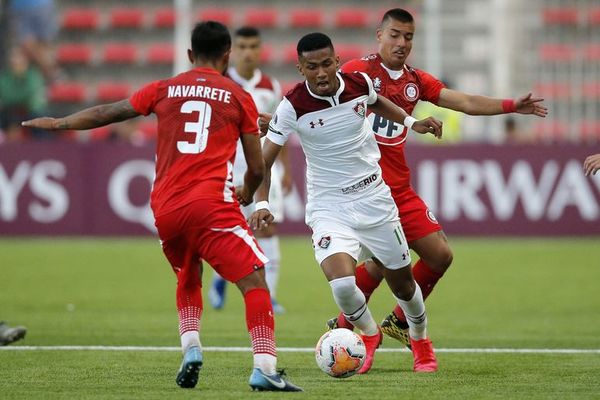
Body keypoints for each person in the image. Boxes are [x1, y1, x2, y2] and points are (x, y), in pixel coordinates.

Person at [22, 21, 302, 392]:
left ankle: (191, 347)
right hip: (210, 204)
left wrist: (59, 123)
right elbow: (255, 166)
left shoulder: (163, 89)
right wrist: (249, 192)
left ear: (189, 55)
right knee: (254, 280)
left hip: (166, 208)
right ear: (226, 56)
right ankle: (265, 367)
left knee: (188, 275)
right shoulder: (238, 96)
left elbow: (109, 112)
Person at [328, 8, 548, 347]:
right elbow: (319, 101)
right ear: (379, 35)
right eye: (395, 35)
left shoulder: (415, 81)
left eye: (409, 37)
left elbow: (464, 101)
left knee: (439, 255)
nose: (402, 43)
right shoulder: (356, 72)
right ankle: (344, 325)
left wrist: (509, 105)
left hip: (399, 189)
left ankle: (397, 322)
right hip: (363, 191)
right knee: (382, 262)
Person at [250, 32, 443, 374]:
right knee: (342, 284)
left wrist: (413, 123)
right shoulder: (292, 105)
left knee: (403, 283)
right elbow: (265, 158)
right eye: (312, 67)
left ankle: (421, 340)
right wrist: (261, 203)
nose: (321, 73)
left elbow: (378, 102)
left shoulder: (360, 84)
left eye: (327, 64)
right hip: (329, 207)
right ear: (301, 68)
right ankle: (369, 335)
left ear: (337, 61)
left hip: (374, 199)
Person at [209, 26, 291, 314]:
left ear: (260, 50)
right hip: (230, 167)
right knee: (233, 230)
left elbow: (282, 128)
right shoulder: (220, 82)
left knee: (267, 227)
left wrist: (286, 168)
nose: (247, 52)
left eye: (253, 46)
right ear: (232, 51)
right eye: (242, 46)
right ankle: (220, 280)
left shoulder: (272, 86)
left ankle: (270, 295)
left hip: (266, 166)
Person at [0, 46, 47, 142]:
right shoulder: (4, 77)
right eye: (13, 60)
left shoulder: (34, 76)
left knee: (38, 118)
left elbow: (30, 97)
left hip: (30, 112)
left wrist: (13, 98)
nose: (16, 63)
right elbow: (5, 96)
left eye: (19, 60)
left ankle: (42, 146)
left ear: (26, 62)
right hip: (9, 112)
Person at [9, 0, 59, 82]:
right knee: (27, 45)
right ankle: (50, 73)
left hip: (42, 6)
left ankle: (50, 74)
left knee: (44, 45)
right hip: (20, 8)